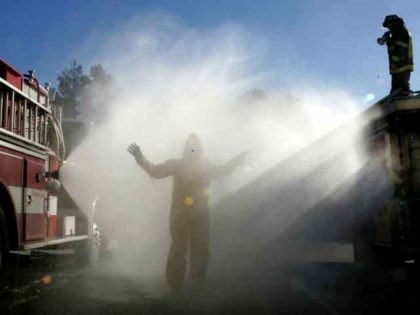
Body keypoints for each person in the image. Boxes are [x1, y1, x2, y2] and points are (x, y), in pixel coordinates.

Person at [127, 133, 248, 292]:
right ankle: (190, 287)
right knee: (193, 251)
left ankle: (180, 287)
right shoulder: (199, 165)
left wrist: (139, 157)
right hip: (192, 215)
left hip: (183, 215)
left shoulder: (182, 165)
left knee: (185, 251)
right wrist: (237, 160)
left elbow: (155, 171)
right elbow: (223, 171)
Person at [377, 15, 413, 95]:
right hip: (396, 65)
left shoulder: (401, 31)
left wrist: (394, 61)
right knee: (395, 89)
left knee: (401, 88)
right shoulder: (395, 33)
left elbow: (400, 47)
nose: (388, 27)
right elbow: (393, 47)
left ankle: (405, 101)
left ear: (394, 23)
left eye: (389, 25)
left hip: (402, 64)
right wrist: (387, 39)